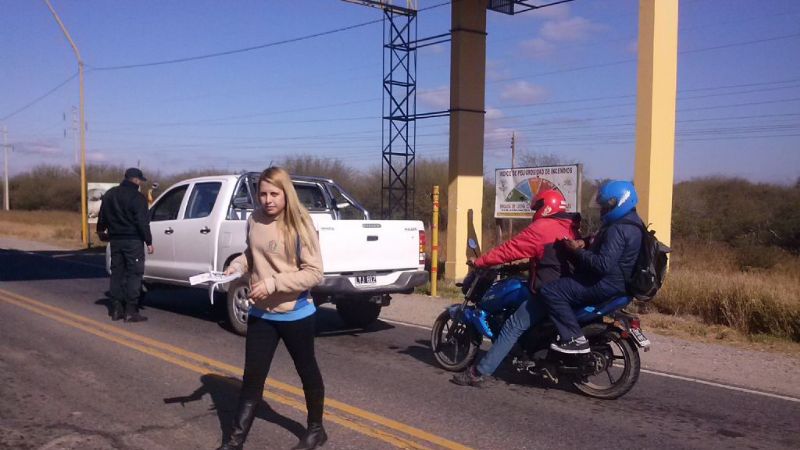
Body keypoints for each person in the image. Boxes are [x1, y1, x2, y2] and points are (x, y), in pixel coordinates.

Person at [218, 167, 326, 450]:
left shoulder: (300, 224)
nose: (268, 200)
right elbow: (251, 253)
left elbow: (315, 273)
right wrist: (237, 266)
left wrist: (274, 283)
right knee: (252, 378)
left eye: (274, 194)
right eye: (263, 194)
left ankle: (316, 429)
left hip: (296, 313)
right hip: (261, 313)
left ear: (286, 193)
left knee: (307, 371)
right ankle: (234, 441)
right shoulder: (254, 219)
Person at [452, 189, 580, 387]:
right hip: (569, 287)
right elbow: (550, 259)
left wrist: (481, 261)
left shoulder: (543, 227)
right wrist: (523, 266)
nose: (535, 211)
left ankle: (479, 373)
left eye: (537, 207)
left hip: (549, 290)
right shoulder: (569, 226)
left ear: (545, 207)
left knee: (513, 326)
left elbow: (510, 249)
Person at [540, 180, 644, 354]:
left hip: (606, 283)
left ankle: (574, 339)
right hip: (621, 282)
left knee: (551, 291)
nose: (603, 210)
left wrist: (576, 251)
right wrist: (586, 242)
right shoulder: (633, 222)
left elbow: (602, 265)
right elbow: (611, 246)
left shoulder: (617, 229)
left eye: (606, 206)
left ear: (619, 203)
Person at [97, 167, 153, 322]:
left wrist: (101, 231)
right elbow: (142, 222)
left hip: (115, 240)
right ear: (135, 180)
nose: (141, 183)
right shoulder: (138, 198)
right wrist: (148, 241)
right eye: (140, 180)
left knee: (117, 274)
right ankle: (131, 311)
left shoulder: (110, 194)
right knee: (134, 275)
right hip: (133, 241)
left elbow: (102, 216)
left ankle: (116, 309)